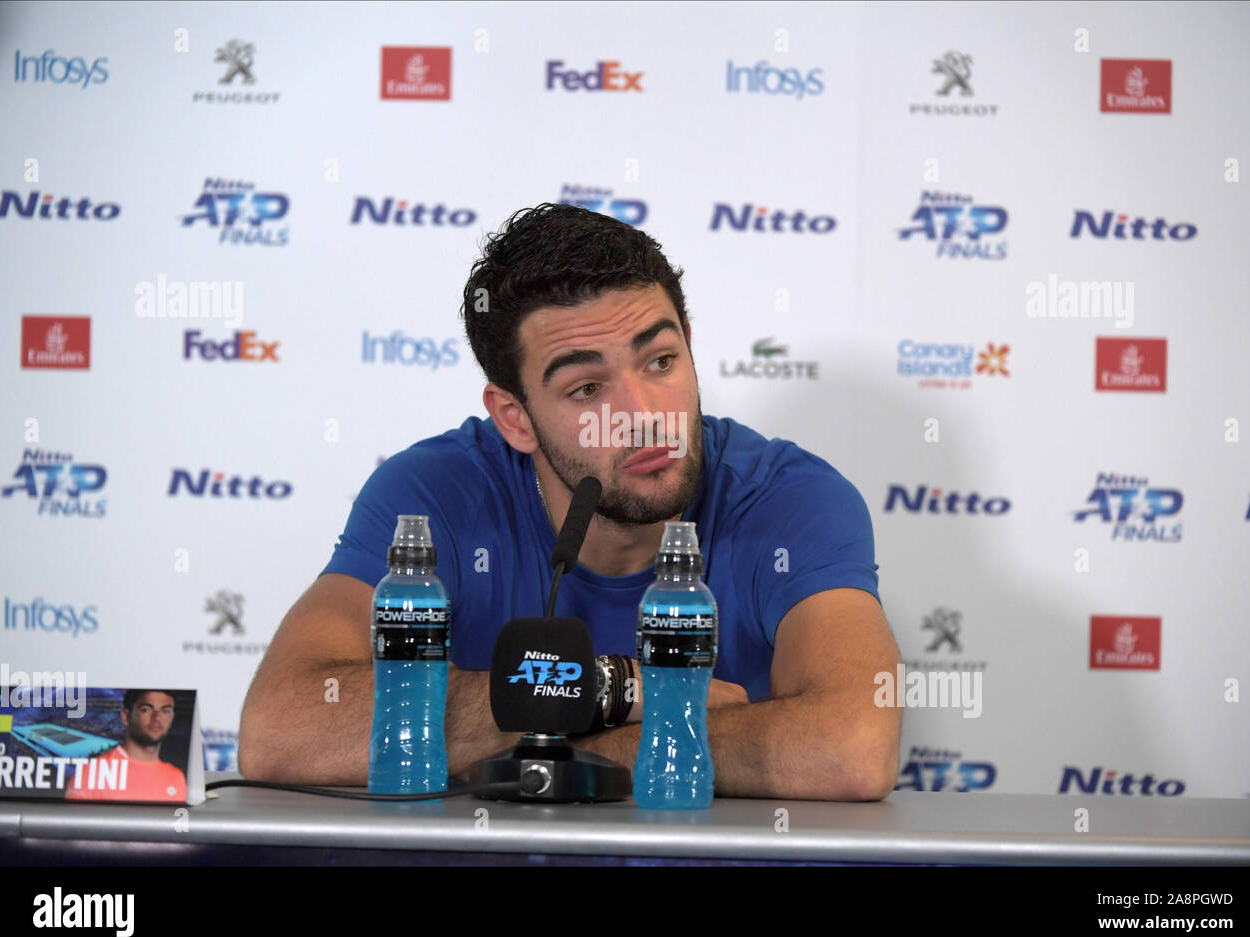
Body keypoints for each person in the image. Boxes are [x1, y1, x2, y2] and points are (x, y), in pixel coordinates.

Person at [240, 203, 901, 800]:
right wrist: (612, 690)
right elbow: (281, 727)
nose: (642, 415)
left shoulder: (790, 500)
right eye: (587, 388)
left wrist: (563, 753)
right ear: (515, 417)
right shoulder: (432, 496)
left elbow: (851, 747)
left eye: (662, 360)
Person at [65, 689, 187, 801]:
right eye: (146, 709)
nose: (157, 718)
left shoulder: (176, 777)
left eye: (165, 711)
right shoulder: (92, 772)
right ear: (126, 717)